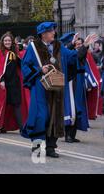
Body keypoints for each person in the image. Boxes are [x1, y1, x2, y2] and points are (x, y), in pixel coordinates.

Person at [21, 22, 97, 158]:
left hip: (57, 87)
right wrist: (40, 70)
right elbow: (25, 66)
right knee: (41, 116)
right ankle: (38, 146)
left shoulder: (58, 46)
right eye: (51, 31)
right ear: (43, 34)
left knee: (55, 116)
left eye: (53, 31)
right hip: (40, 87)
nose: (54, 33)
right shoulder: (33, 47)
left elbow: (73, 57)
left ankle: (50, 147)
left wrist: (84, 46)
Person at [0, 32, 30, 133]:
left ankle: (22, 128)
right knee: (4, 105)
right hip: (4, 83)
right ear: (2, 42)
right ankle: (1, 126)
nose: (7, 42)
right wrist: (1, 80)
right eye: (6, 41)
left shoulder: (15, 52)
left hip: (15, 82)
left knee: (16, 104)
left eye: (9, 40)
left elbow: (21, 65)